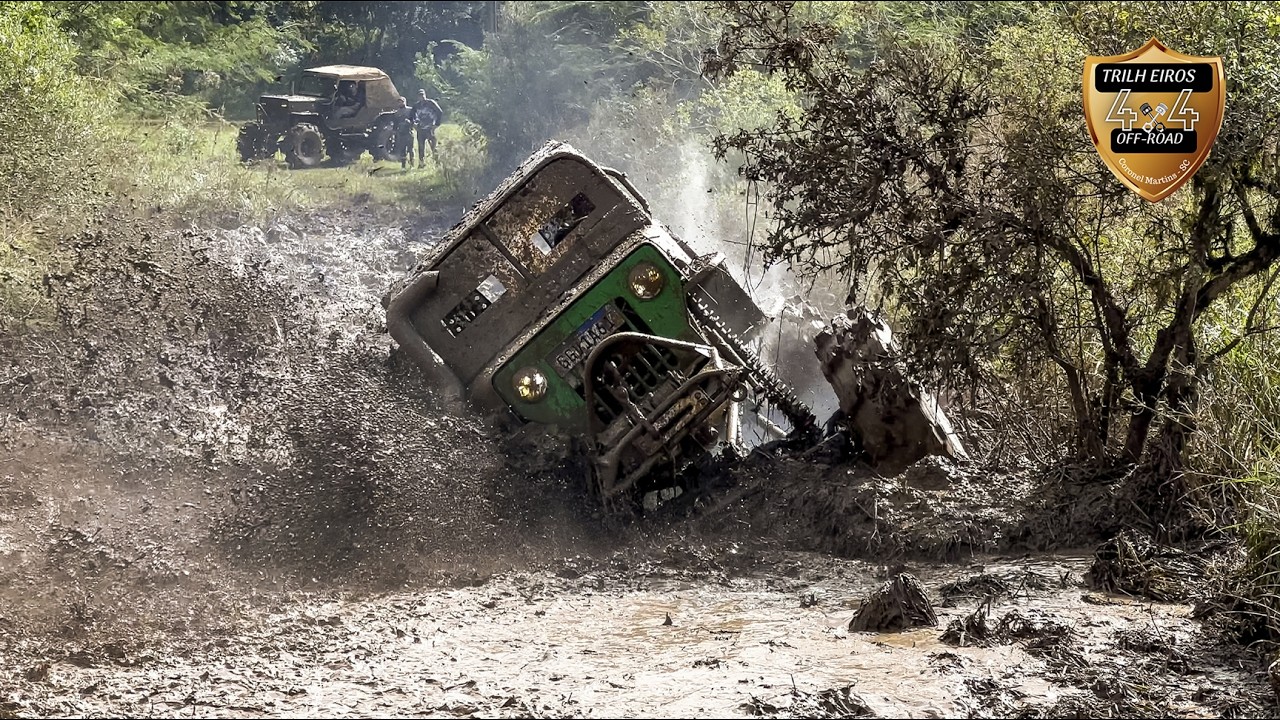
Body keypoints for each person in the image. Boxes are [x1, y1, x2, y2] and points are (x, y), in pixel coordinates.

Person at [411, 89, 443, 168]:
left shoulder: (431, 103)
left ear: (425, 95)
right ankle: (421, 164)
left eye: (422, 95)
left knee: (433, 146)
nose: (421, 97)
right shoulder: (416, 105)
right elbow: (411, 115)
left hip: (430, 128)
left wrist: (436, 124)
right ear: (418, 97)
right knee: (421, 147)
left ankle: (437, 163)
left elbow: (439, 112)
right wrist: (413, 124)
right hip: (420, 128)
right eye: (420, 95)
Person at [394, 96, 415, 169]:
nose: (400, 103)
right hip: (401, 133)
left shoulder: (410, 110)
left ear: (405, 102)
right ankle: (403, 166)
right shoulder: (397, 113)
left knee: (410, 149)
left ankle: (412, 165)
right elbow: (395, 123)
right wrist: (395, 132)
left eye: (402, 101)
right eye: (399, 102)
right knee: (402, 150)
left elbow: (414, 120)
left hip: (409, 132)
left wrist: (410, 122)